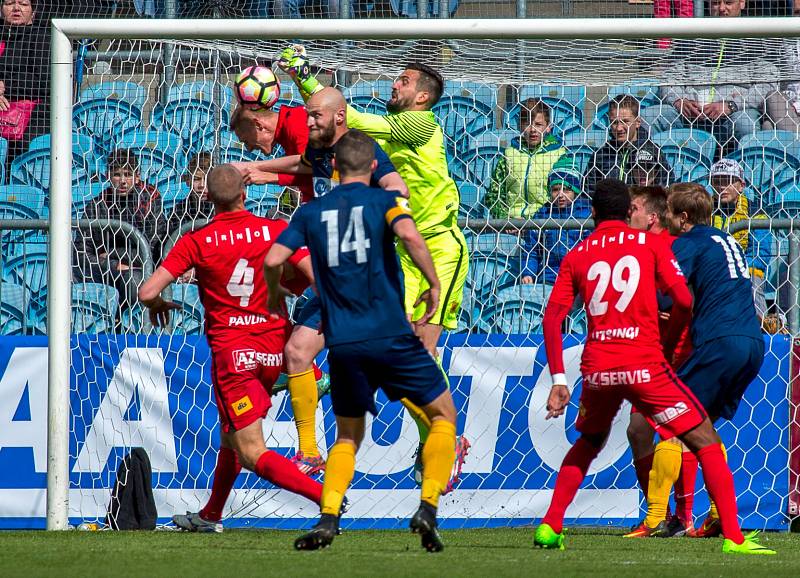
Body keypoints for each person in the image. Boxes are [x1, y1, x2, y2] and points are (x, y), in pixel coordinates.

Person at [532, 178, 774, 555]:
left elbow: (552, 318)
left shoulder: (578, 252)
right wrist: (665, 343)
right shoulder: (652, 245)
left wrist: (559, 380)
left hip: (598, 366)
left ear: (592, 213)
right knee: (702, 438)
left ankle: (551, 525)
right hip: (647, 362)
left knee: (589, 442)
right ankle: (733, 537)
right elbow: (681, 298)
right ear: (629, 211)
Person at [279, 47, 470, 486]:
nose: (394, 84)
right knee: (397, 349)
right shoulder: (388, 135)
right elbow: (334, 125)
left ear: (421, 96)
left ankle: (449, 438)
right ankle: (438, 437)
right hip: (399, 249)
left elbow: (353, 120)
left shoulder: (421, 124)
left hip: (438, 247)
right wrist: (306, 82)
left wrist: (307, 77)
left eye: (402, 80)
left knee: (421, 350)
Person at [264, 129, 457, 552]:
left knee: (348, 436)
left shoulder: (311, 213)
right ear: (373, 168)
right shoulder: (383, 201)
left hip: (344, 342)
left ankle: (329, 516)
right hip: (391, 331)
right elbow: (408, 235)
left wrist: (277, 293)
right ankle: (427, 505)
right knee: (443, 416)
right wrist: (433, 284)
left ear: (332, 168)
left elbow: (273, 258)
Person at [138, 164, 331, 533]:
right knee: (231, 436)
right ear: (245, 193)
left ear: (207, 198)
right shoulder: (277, 229)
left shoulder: (196, 240)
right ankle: (210, 515)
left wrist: (157, 305)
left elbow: (146, 292)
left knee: (251, 451)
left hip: (235, 357)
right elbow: (317, 278)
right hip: (276, 350)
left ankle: (327, 498)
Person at [232, 88, 407, 477]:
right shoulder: (322, 151)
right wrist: (262, 172)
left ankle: (441, 435)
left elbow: (398, 188)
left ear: (339, 117)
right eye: (307, 116)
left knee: (389, 367)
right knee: (297, 352)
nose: (307, 123)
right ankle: (310, 452)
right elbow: (307, 165)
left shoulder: (363, 150)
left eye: (315, 117)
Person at [629, 182, 767, 540]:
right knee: (702, 428)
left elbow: (667, 295)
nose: (667, 220)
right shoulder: (725, 240)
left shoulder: (688, 244)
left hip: (718, 344)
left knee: (672, 424)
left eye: (671, 214)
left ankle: (658, 518)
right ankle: (719, 515)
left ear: (683, 218)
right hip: (752, 344)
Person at [230, 97, 328, 474]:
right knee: (296, 345)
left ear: (259, 124)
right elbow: (311, 171)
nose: (251, 147)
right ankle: (307, 382)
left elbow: (315, 164)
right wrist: (269, 175)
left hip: (338, 237)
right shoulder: (291, 130)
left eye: (249, 139)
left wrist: (258, 167)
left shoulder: (300, 123)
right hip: (318, 225)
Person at [623, 185, 695, 538]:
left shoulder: (672, 247)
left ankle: (682, 516)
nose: (626, 214)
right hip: (648, 351)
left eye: (632, 207)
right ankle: (660, 515)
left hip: (678, 350)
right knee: (638, 431)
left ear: (650, 216)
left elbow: (682, 298)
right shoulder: (633, 249)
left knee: (680, 432)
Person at [641, 0, 777, 154]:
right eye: (715, 3)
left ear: (742, 3)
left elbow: (768, 84)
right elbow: (669, 77)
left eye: (728, 3)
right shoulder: (691, 37)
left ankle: (742, 175)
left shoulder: (757, 39)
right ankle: (648, 172)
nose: (721, 9)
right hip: (688, 115)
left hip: (733, 114)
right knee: (649, 117)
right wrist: (679, 101)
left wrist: (732, 105)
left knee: (745, 124)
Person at [78, 149, 167, 313]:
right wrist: (113, 264)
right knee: (68, 272)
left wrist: (112, 252)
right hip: (105, 269)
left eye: (128, 174)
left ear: (137, 176)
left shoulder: (150, 201)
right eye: (118, 175)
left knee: (133, 280)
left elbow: (151, 249)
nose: (123, 181)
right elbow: (82, 252)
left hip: (140, 269)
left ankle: (130, 328)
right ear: (108, 176)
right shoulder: (98, 205)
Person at [484, 98, 567, 220]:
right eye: (527, 124)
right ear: (520, 126)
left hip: (544, 223)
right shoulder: (509, 154)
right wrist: (506, 219)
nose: (533, 130)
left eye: (538, 124)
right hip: (510, 224)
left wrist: (537, 220)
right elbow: (494, 194)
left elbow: (563, 196)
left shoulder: (559, 155)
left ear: (549, 127)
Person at [708, 159, 771, 318]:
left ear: (741, 186)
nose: (722, 186)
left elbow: (760, 251)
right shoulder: (705, 209)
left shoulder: (756, 210)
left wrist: (736, 268)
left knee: (752, 284)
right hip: (711, 269)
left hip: (745, 270)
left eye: (728, 181)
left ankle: (761, 328)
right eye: (717, 181)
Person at [519, 163, 590, 285]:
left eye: (566, 190)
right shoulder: (542, 215)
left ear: (575, 191)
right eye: (555, 190)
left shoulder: (586, 215)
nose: (560, 195)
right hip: (549, 275)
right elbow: (532, 249)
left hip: (578, 276)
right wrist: (528, 273)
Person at [585, 96, 670, 196]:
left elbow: (666, 190)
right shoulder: (601, 155)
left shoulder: (653, 152)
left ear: (638, 122)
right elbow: (587, 194)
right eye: (614, 122)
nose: (619, 128)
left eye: (625, 121)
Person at [0, 0, 51, 163]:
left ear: (33, 12)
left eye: (23, 4)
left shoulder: (43, 38)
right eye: (9, 3)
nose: (16, 8)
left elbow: (42, 82)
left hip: (35, 114)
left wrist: (4, 86)